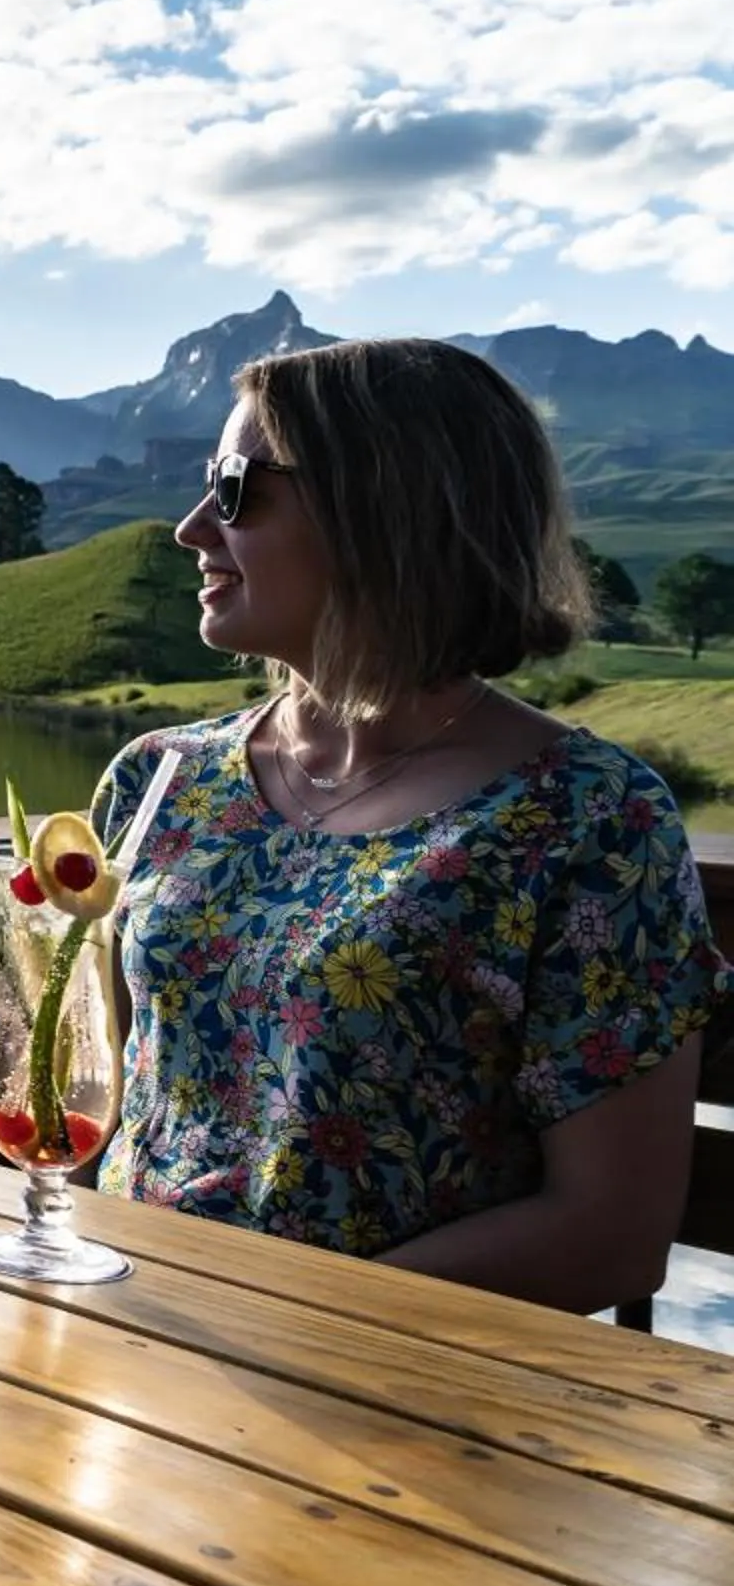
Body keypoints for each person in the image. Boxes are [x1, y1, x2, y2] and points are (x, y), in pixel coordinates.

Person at [90, 338, 725, 1312]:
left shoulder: (585, 817)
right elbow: (108, 1098)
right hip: (137, 1350)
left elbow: (611, 1234)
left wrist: (286, 1325)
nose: (188, 528)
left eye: (234, 488)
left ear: (384, 512)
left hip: (397, 1407)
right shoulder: (157, 780)